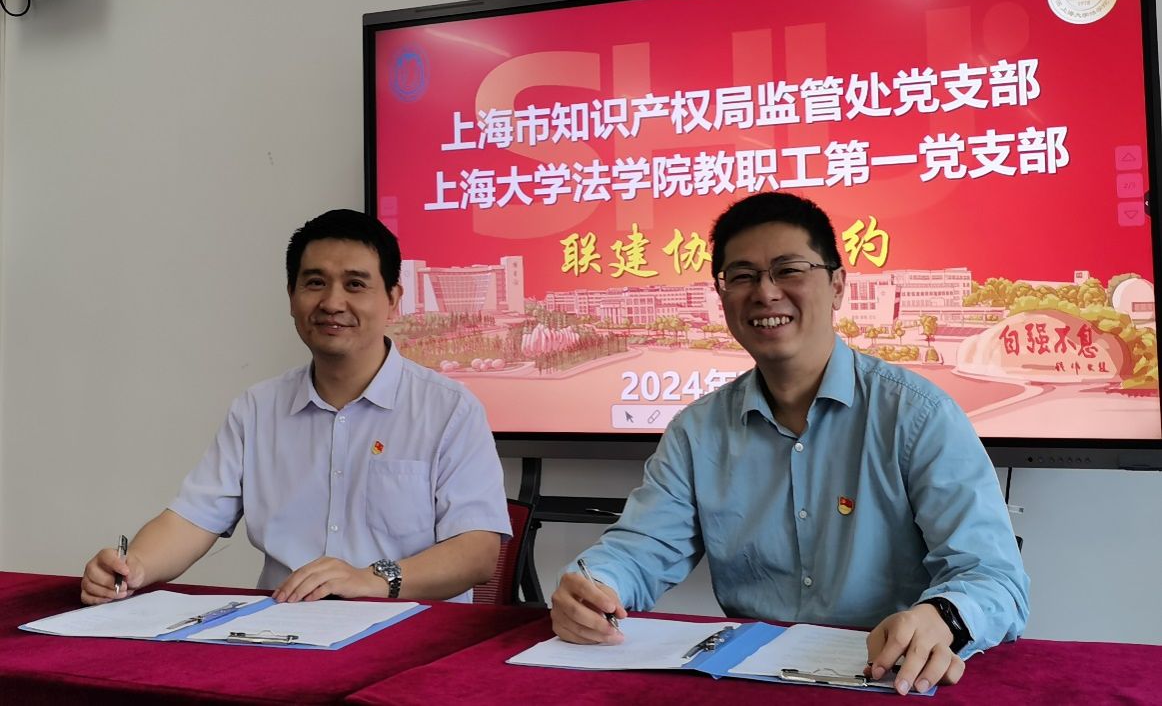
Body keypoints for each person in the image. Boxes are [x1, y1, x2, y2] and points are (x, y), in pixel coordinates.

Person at [550, 192, 1029, 695]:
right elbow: (643, 547)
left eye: (789, 270)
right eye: (742, 276)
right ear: (723, 296)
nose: (765, 292)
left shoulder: (917, 415)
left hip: (889, 678)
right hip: (745, 682)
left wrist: (942, 616)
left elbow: (994, 577)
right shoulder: (697, 431)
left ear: (837, 285)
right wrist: (595, 587)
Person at [81, 209, 510, 605]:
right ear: (292, 296)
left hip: (410, 635)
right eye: (315, 282)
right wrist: (134, 567)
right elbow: (192, 520)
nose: (332, 303)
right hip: (280, 632)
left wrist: (373, 580)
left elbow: (477, 552)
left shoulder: (449, 410)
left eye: (355, 284)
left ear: (393, 299)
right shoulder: (257, 409)